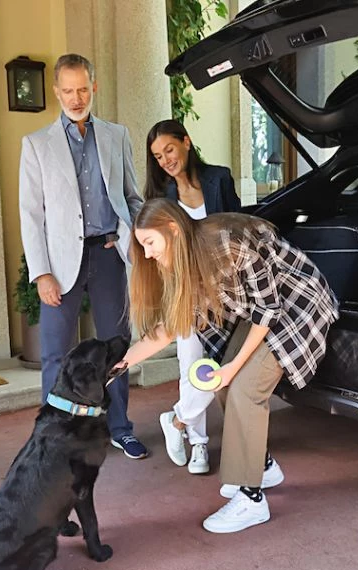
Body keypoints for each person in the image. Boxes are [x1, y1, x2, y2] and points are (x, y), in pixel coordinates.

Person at [118, 198, 339, 533]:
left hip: (297, 304)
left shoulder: (229, 244)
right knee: (219, 381)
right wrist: (121, 363)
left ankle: (252, 500)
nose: (146, 254)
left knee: (246, 388)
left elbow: (268, 310)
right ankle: (261, 467)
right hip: (260, 314)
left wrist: (234, 368)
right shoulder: (180, 263)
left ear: (173, 230)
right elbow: (169, 328)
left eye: (149, 242)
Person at [18, 53, 147, 459]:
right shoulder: (36, 145)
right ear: (57, 91)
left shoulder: (116, 136)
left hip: (109, 256)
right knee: (55, 351)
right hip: (59, 264)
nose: (76, 98)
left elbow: (132, 197)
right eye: (68, 91)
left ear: (95, 87)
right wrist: (40, 273)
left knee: (117, 350)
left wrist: (134, 240)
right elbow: (31, 214)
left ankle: (119, 427)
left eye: (82, 89)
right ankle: (55, 438)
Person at [144, 119, 241, 476]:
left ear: (186, 142)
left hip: (226, 292)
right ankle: (199, 444)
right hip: (184, 292)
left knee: (221, 368)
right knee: (192, 369)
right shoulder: (161, 199)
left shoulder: (219, 178)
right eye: (158, 156)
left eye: (169, 149)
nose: (165, 159)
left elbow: (238, 225)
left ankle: (178, 420)